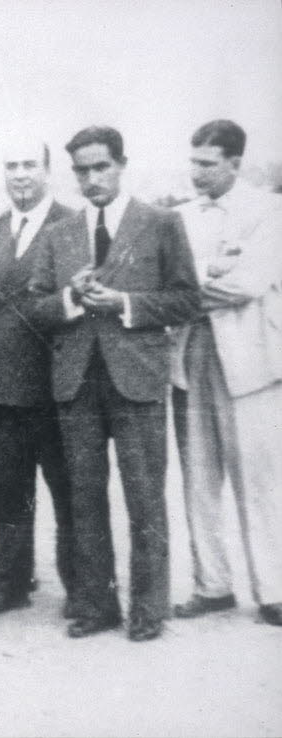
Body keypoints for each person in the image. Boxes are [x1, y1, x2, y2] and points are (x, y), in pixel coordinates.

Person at [26, 126, 199, 641]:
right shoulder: (59, 233)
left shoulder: (161, 223)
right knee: (84, 495)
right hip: (76, 381)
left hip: (138, 378)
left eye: (101, 166)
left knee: (145, 496)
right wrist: (71, 298)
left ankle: (148, 609)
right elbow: (35, 306)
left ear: (122, 164)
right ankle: (96, 603)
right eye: (81, 169)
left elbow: (187, 299)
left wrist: (123, 305)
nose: (92, 178)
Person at [169, 120, 282, 627]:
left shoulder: (269, 210)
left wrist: (191, 283)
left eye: (208, 164)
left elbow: (249, 282)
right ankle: (212, 585)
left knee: (258, 479)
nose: (197, 173)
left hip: (251, 360)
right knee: (198, 476)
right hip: (191, 356)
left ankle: (274, 589)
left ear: (235, 163)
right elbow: (167, 276)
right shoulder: (178, 215)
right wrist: (207, 271)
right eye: (193, 162)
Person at [0, 138, 75, 620]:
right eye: (11, 166)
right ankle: (10, 583)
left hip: (55, 387)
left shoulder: (72, 226)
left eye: (30, 164)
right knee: (6, 490)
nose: (21, 175)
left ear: (48, 170)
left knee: (67, 490)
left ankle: (82, 586)